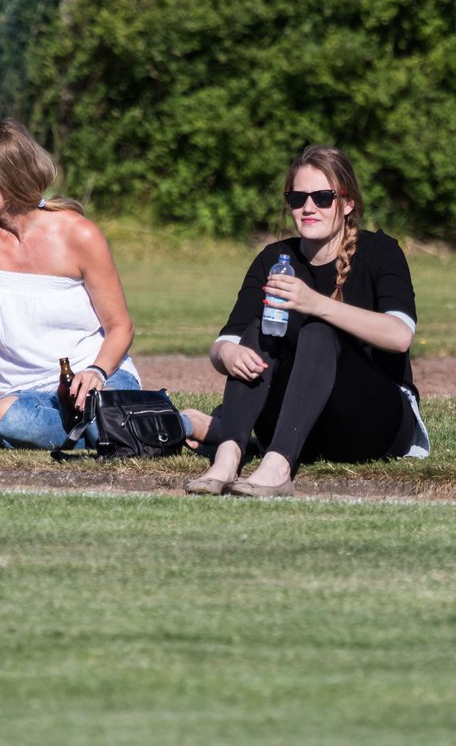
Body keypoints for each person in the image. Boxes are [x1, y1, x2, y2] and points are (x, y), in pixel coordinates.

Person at [182, 144, 429, 498]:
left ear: (347, 204)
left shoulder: (379, 251)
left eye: (323, 197)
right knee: (257, 331)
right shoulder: (273, 258)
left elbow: (400, 335)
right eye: (297, 198)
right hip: (297, 422)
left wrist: (315, 304)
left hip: (374, 421)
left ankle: (278, 466)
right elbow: (226, 342)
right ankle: (226, 458)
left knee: (318, 331)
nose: (308, 207)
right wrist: (227, 356)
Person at [0, 118, 141, 449]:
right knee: (3, 419)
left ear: (8, 182)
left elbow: (121, 327)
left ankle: (166, 423)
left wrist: (96, 372)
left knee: (98, 411)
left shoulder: (79, 234)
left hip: (95, 378)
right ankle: (126, 429)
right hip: (22, 395)